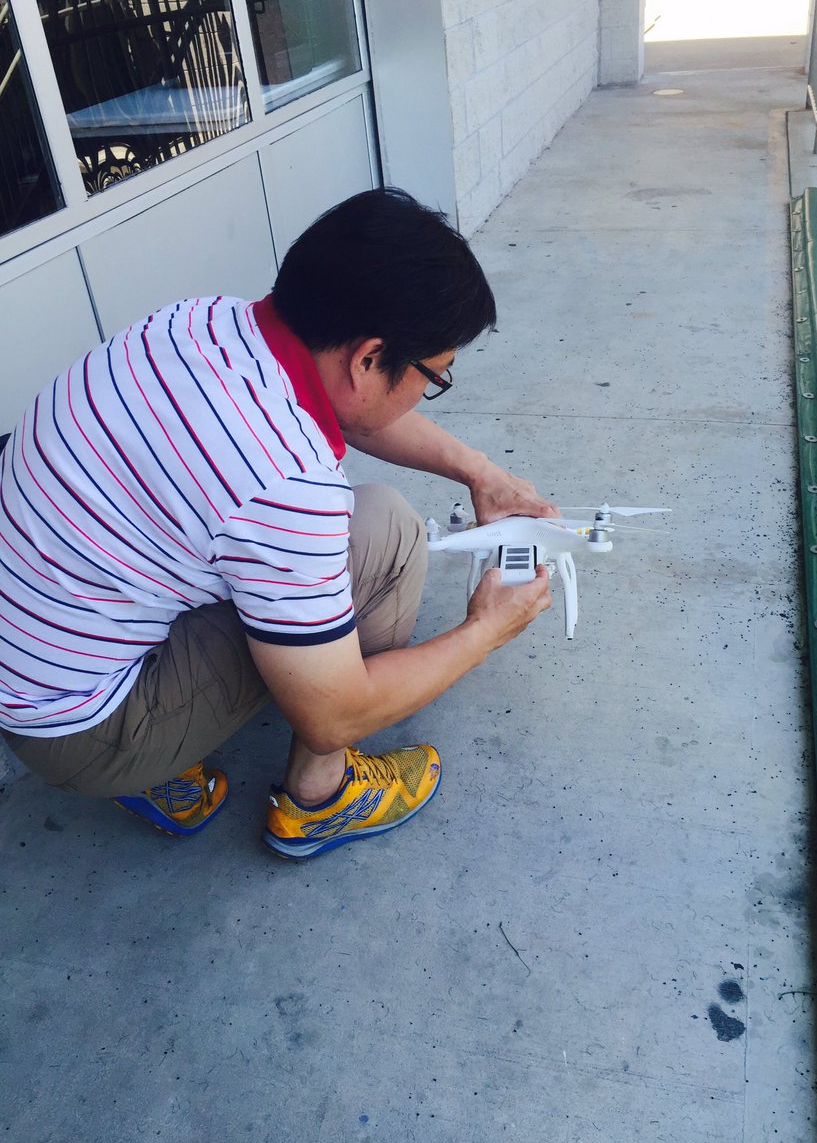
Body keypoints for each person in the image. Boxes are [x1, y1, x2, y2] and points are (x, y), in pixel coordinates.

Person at [0, 187, 554, 859]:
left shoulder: (201, 322)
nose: (430, 390)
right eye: (434, 377)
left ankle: (161, 761)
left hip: (32, 654)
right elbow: (336, 709)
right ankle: (319, 798)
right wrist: (485, 630)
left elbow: (346, 409)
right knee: (390, 536)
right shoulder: (285, 486)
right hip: (79, 729)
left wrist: (480, 472)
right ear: (369, 358)